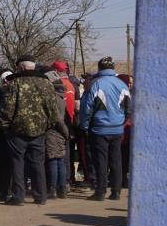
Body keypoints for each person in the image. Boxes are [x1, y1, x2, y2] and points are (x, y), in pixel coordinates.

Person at [0, 57, 58, 205]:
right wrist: (47, 126)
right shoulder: (46, 84)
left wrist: (4, 126)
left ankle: (18, 196)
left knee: (17, 163)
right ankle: (41, 195)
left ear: (22, 68)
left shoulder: (15, 84)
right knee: (37, 163)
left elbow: (8, 109)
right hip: (39, 130)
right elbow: (52, 110)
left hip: (17, 131)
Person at [80, 56, 130, 201]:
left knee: (100, 161)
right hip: (117, 129)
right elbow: (129, 108)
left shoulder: (96, 84)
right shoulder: (122, 85)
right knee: (116, 160)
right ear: (113, 68)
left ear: (99, 68)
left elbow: (86, 108)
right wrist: (122, 122)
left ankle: (100, 192)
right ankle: (116, 192)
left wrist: (84, 126)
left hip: (99, 129)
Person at [44, 71, 70, 199]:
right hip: (60, 133)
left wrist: (65, 132)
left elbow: (58, 119)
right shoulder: (60, 97)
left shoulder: (52, 97)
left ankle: (53, 189)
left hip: (53, 132)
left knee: (53, 160)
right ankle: (62, 188)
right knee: (60, 160)